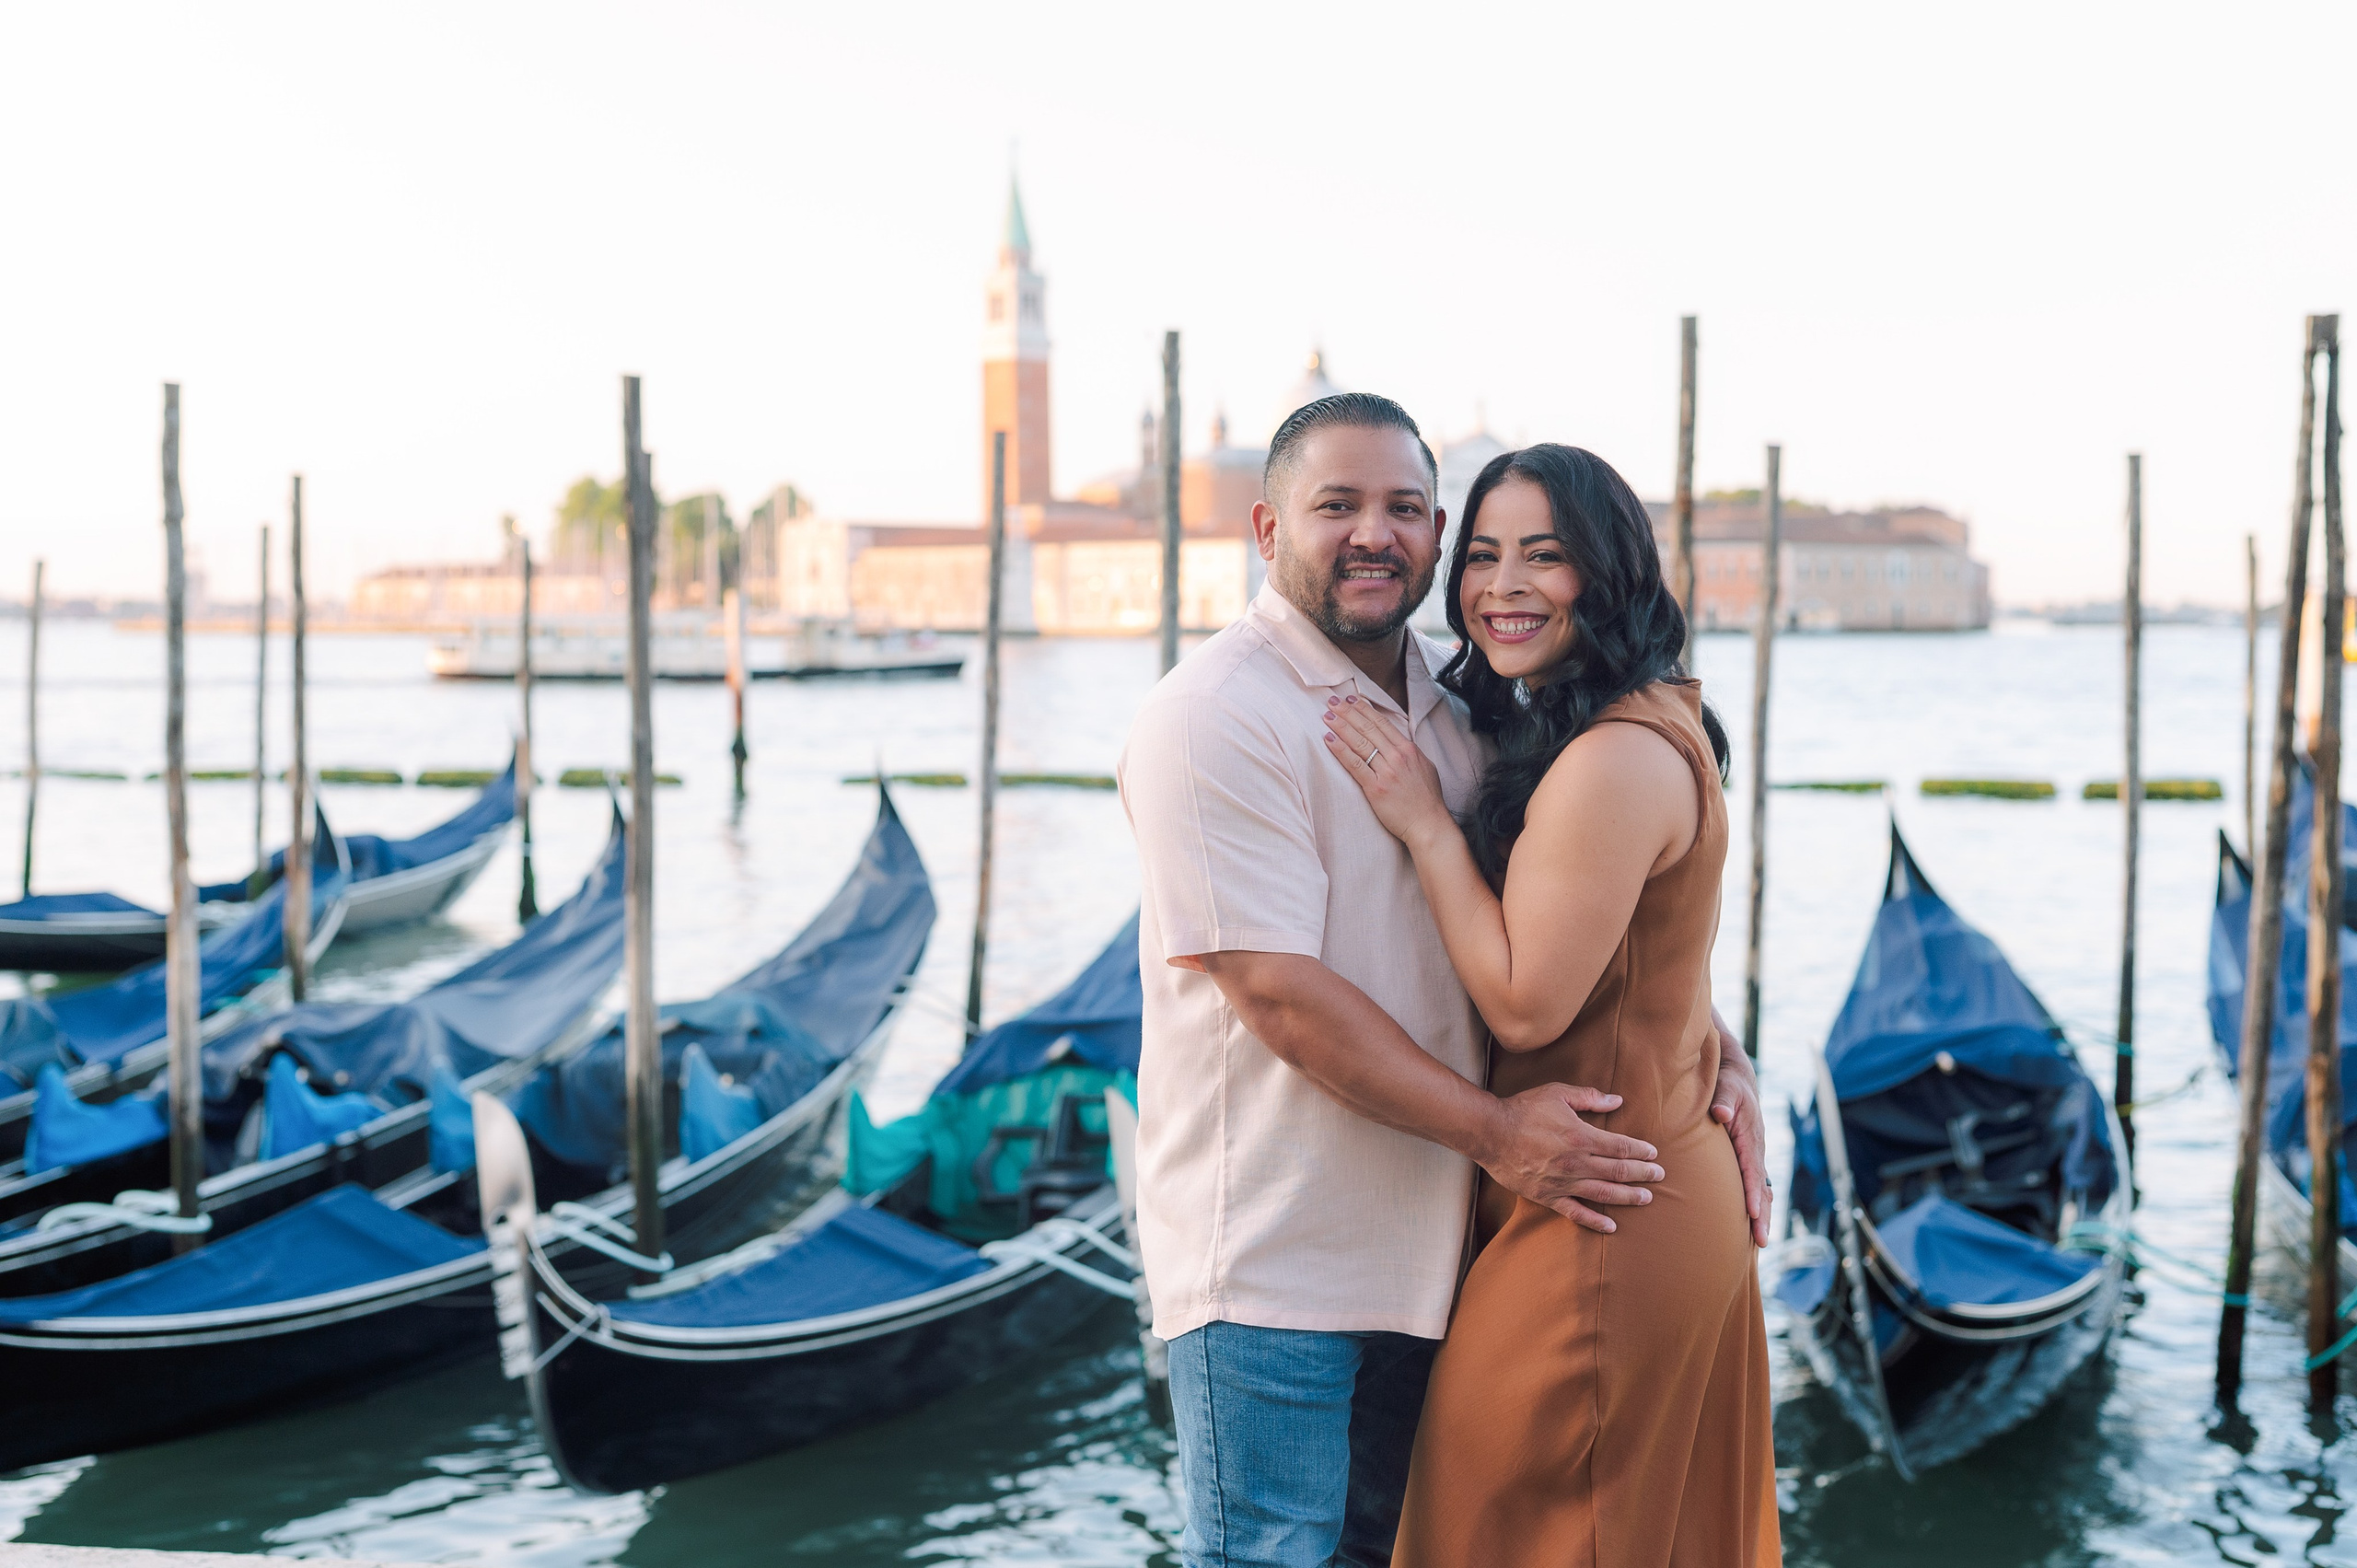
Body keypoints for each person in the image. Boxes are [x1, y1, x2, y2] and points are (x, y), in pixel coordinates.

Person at [1118, 395, 1769, 1568]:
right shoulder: (1211, 716)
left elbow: (1595, 919)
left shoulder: (1467, 699)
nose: (1377, 533)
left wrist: (1708, 1048)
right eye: (1338, 506)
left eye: (1408, 509)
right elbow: (1276, 991)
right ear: (1267, 528)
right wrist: (1498, 1132)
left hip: (1452, 1242)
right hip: (1281, 1260)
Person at [1320, 442, 1780, 1566]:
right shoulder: (1635, 721)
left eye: (1544, 555)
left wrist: (1427, 827)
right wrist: (1723, 1049)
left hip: (1598, 1221)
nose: (1500, 585)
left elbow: (1527, 1005)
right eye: (1479, 555)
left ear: (1608, 569)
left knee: (1501, 1529)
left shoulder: (1611, 758)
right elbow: (1652, 952)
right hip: (1626, 1190)